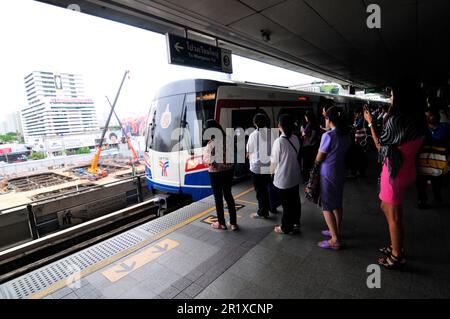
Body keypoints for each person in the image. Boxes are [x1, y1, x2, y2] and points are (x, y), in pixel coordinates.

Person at [364, 81, 426, 269]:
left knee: (394, 217)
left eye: (392, 94)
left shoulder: (396, 120)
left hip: (393, 174)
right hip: (407, 169)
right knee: (388, 208)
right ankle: (396, 245)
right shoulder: (418, 120)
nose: (390, 97)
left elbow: (380, 147)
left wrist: (371, 124)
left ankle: (397, 255)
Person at [315, 107, 351, 250]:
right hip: (341, 172)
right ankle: (336, 230)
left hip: (328, 173)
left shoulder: (328, 136)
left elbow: (319, 158)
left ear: (329, 120)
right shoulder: (347, 134)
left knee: (326, 206)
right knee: (337, 202)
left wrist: (315, 163)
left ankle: (335, 239)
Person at [203, 120, 238, 230]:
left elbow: (208, 162)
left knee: (218, 198)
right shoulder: (229, 140)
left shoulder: (211, 144)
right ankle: (233, 223)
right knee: (228, 195)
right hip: (228, 171)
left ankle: (221, 223)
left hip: (215, 173)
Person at [270, 114, 301, 234]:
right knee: (295, 200)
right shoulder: (296, 138)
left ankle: (286, 227)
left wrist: (271, 172)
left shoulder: (279, 142)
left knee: (286, 205)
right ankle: (296, 221)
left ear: (279, 126)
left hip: (283, 178)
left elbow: (274, 161)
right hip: (294, 175)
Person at [416, 107, 450, 208]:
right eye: (426, 116)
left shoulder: (445, 128)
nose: (428, 118)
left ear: (437, 117)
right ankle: (422, 201)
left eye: (430, 115)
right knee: (421, 185)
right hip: (422, 163)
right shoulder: (420, 129)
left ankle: (437, 196)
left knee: (437, 184)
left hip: (438, 164)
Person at [246, 113, 276, 218]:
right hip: (269, 166)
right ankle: (272, 207)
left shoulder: (253, 135)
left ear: (254, 123)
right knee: (270, 187)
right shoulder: (272, 134)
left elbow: (249, 152)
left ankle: (262, 211)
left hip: (257, 168)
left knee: (260, 190)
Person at [300, 111, 319, 181]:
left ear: (308, 117)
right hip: (313, 147)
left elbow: (312, 135)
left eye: (305, 116)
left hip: (308, 147)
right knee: (311, 164)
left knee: (306, 164)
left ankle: (307, 179)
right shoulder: (314, 123)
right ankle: (311, 178)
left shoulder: (310, 124)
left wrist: (309, 140)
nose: (305, 118)